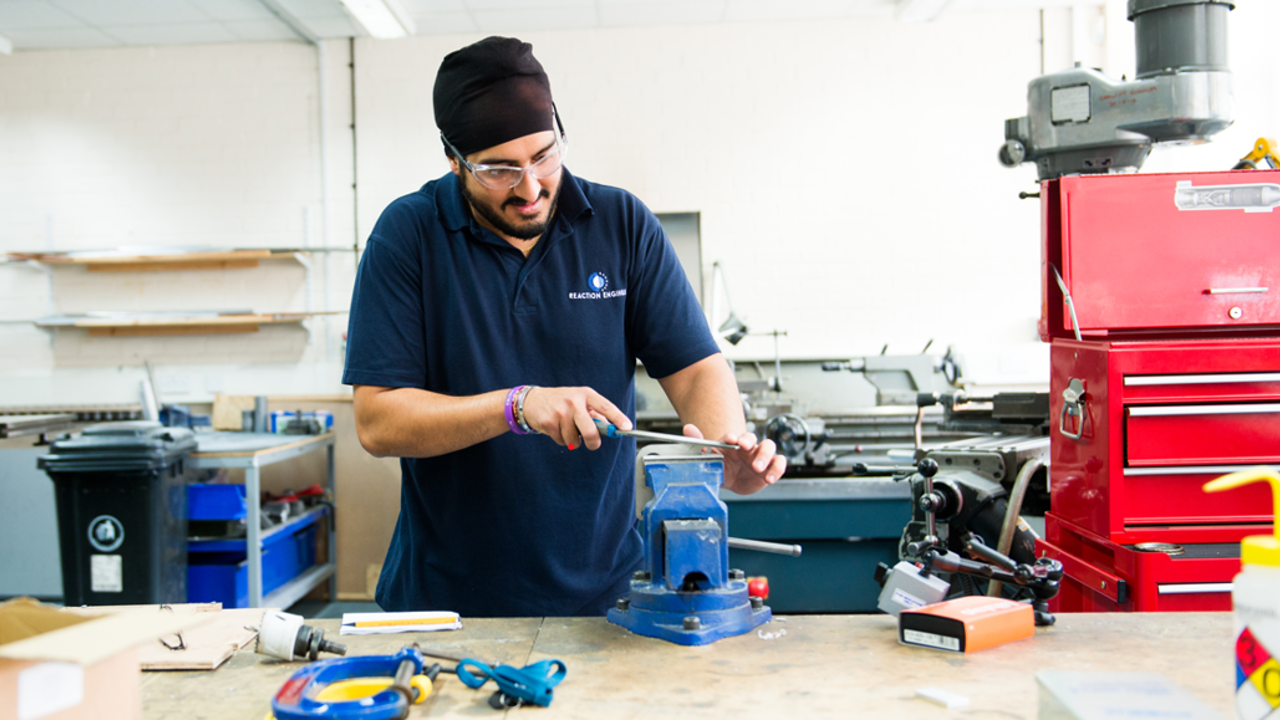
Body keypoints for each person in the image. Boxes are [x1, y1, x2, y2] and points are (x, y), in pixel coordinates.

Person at [343, 36, 785, 618]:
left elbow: (695, 364)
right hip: (444, 604)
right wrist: (517, 405)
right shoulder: (408, 236)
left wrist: (722, 451)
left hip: (607, 599)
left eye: (544, 156)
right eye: (500, 170)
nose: (530, 188)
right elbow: (379, 421)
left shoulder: (621, 224)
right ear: (454, 159)